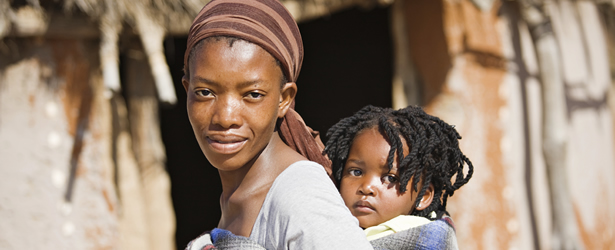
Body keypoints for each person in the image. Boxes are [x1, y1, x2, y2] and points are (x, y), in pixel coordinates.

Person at [181, 0, 373, 249]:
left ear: (284, 99)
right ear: (187, 91)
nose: (226, 117)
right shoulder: (238, 197)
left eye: (253, 94)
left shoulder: (299, 194)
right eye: (205, 92)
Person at [324, 105, 474, 249]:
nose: (367, 187)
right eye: (356, 172)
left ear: (423, 196)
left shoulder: (425, 239)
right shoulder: (334, 223)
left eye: (390, 178)